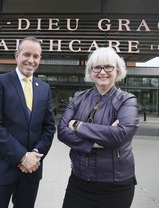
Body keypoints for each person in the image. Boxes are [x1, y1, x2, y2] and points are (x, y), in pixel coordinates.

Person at [58, 47, 139, 208]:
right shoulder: (78, 98)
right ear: (91, 71)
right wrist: (92, 143)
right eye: (97, 67)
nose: (102, 72)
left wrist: (77, 125)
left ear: (117, 70)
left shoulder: (127, 100)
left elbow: (120, 135)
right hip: (79, 182)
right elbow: (62, 131)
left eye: (108, 66)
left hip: (115, 186)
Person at [0, 36, 56, 208]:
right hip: (1, 168)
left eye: (36, 56)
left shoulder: (44, 88)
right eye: (27, 54)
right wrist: (22, 157)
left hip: (32, 170)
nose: (31, 60)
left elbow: (49, 128)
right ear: (17, 55)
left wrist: (35, 154)